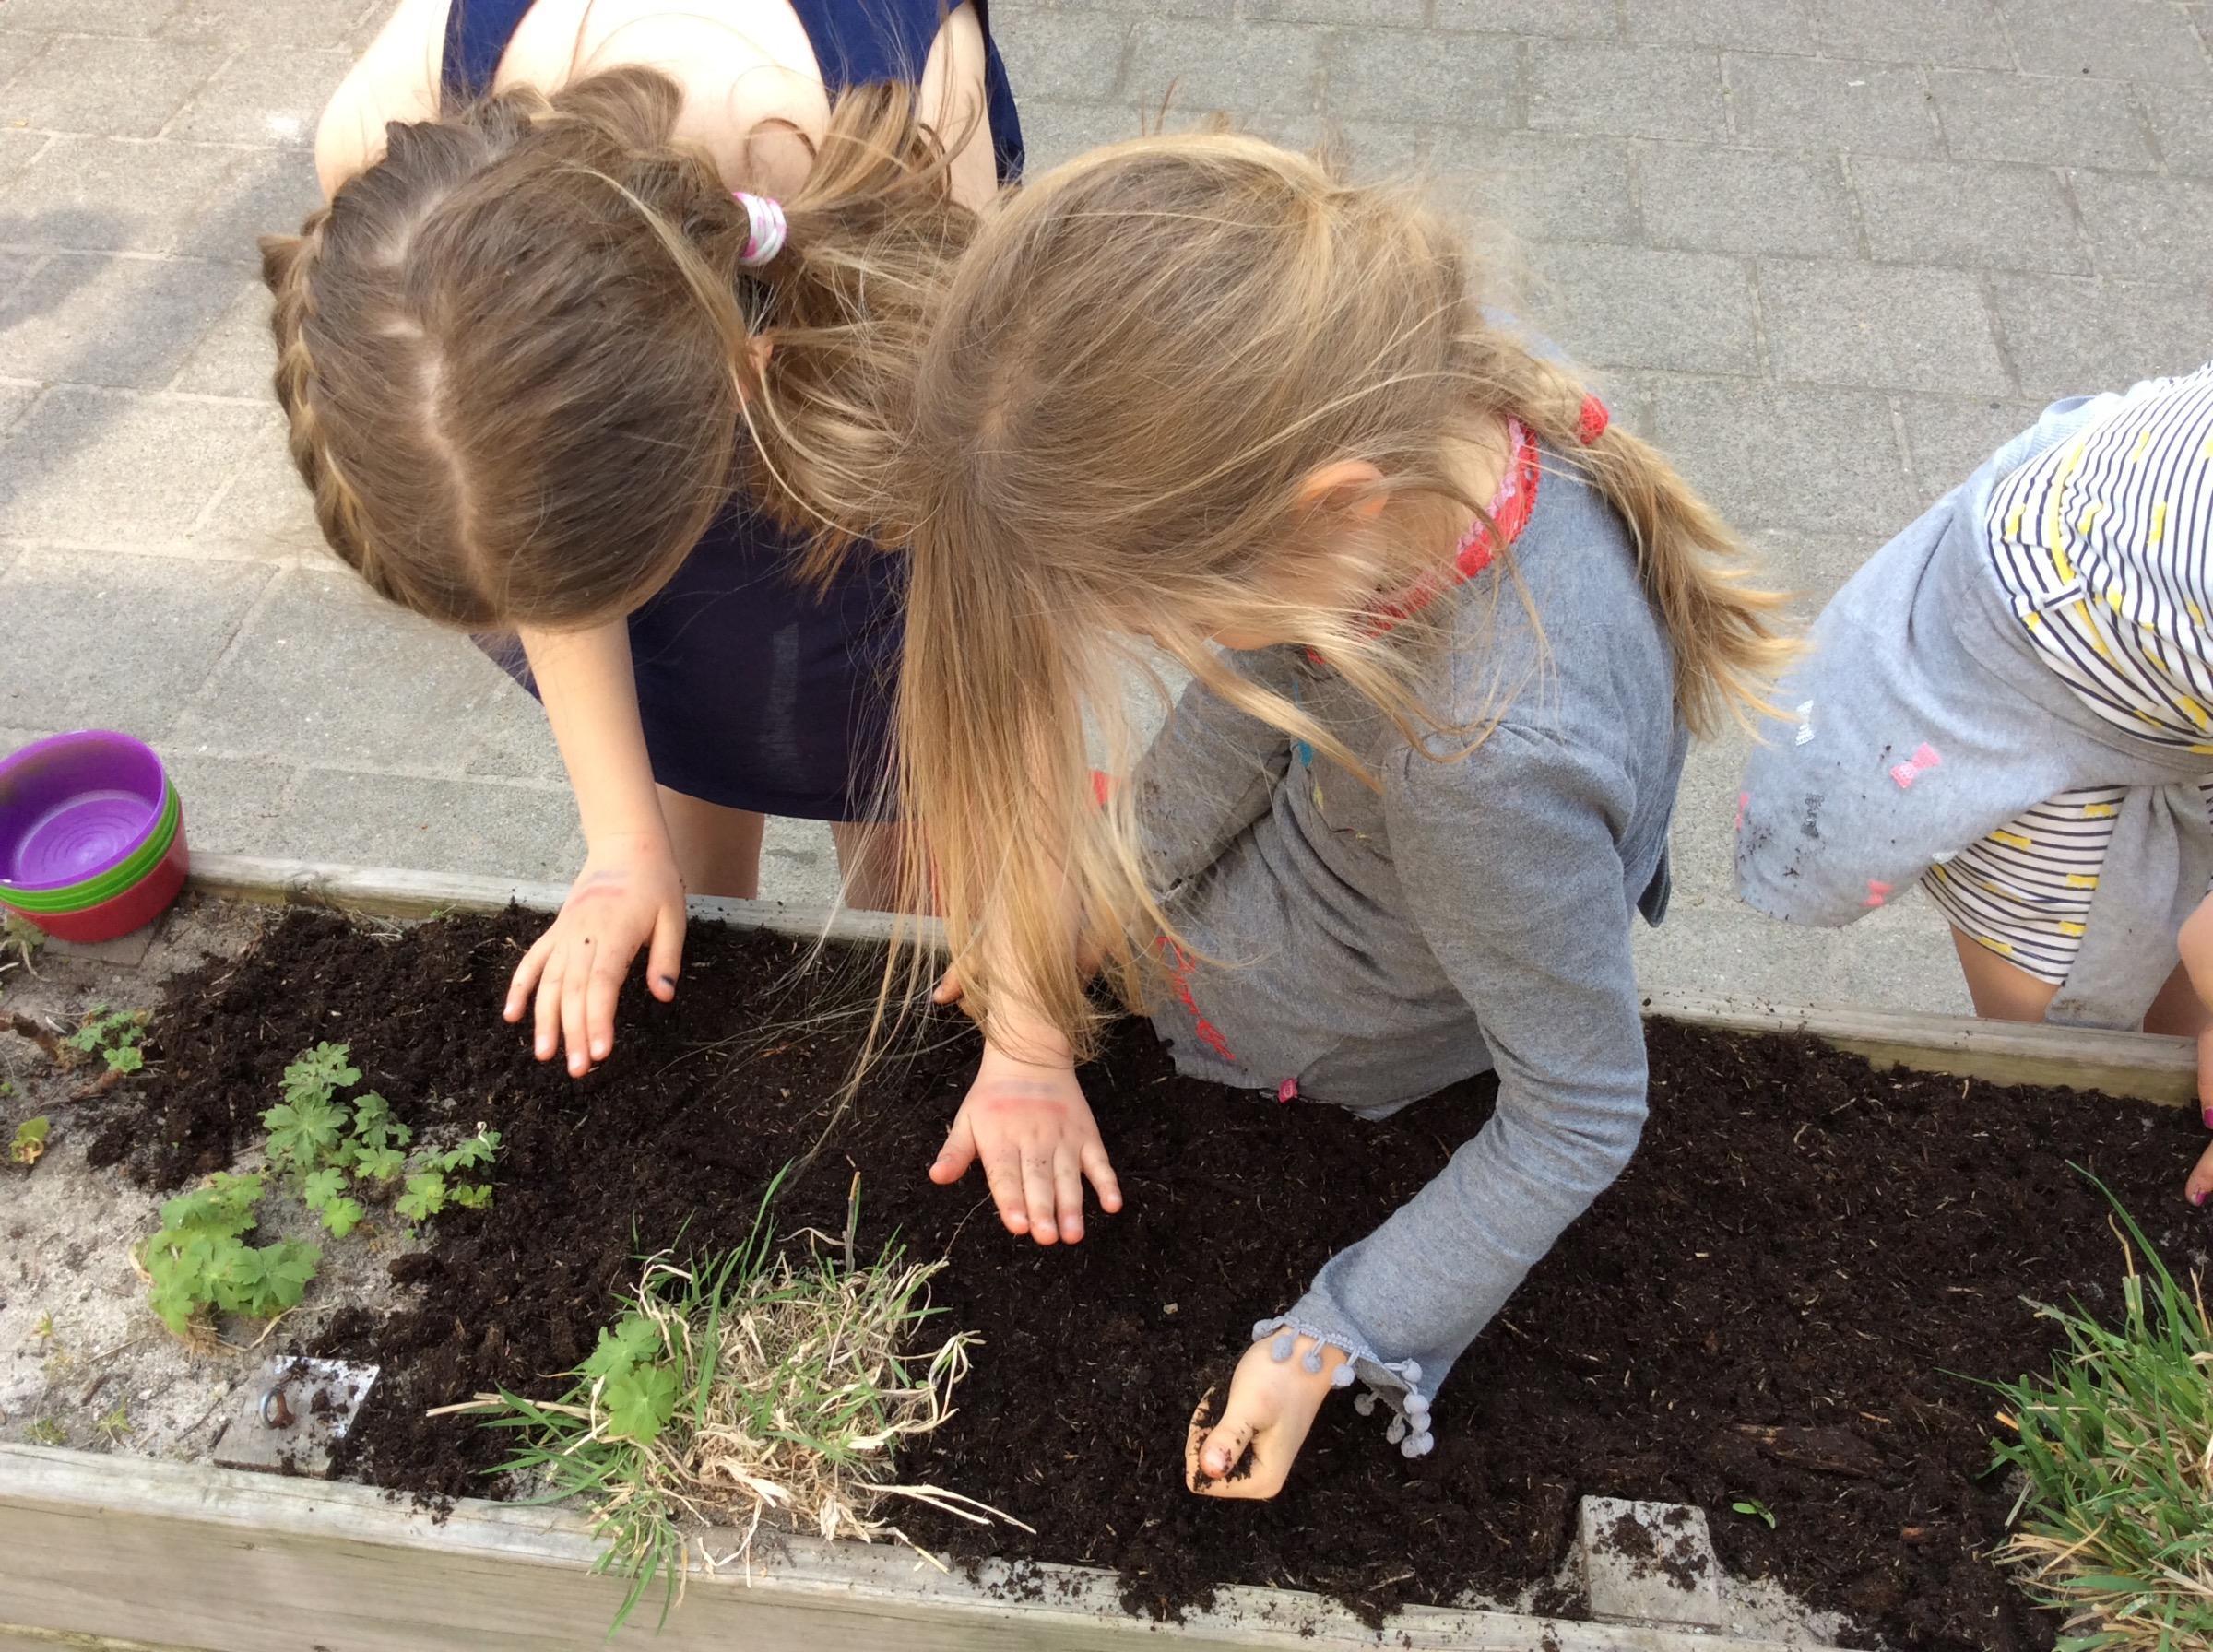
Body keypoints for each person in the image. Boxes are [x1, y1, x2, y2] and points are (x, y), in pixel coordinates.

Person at [866, 134, 1793, 1498]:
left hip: (1292, 1036)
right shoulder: (1428, 387)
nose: (1163, 651)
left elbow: (1582, 1111)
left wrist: (1338, 1331)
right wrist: (1049, 976)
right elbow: (1259, 683)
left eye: (1160, 615)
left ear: (1327, 511)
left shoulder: (1475, 765)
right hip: (1330, 890)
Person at [268, 0, 1023, 1079]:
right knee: (691, 763)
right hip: (654, 406)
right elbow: (530, 522)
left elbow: (990, 582)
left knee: (908, 824)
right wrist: (626, 845)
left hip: (894, 477)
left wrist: (1025, 997)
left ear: (736, 384)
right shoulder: (384, 151)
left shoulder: (902, 150)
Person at [1737, 362, 2213, 1205]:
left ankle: (2169, 1108)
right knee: (2054, 1018)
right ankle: (2065, 1156)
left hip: (2161, 611)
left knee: (2175, 994)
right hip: (2039, 650)